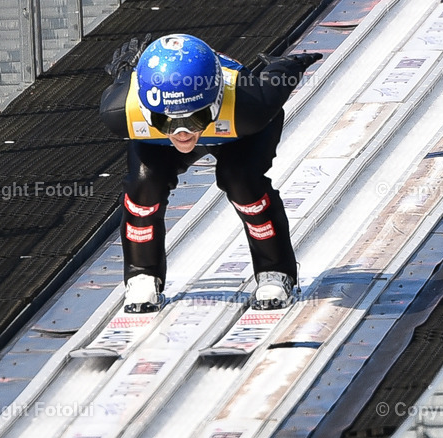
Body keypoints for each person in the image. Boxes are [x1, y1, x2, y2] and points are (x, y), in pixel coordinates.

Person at [100, 33, 322, 313]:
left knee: (242, 181)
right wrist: (125, 70)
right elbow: (124, 77)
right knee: (144, 187)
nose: (182, 133)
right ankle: (142, 274)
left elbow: (277, 79)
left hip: (237, 134)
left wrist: (286, 65)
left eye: (196, 117)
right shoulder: (120, 111)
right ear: (144, 108)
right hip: (189, 132)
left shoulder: (249, 105)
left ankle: (275, 271)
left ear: (217, 100)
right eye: (165, 120)